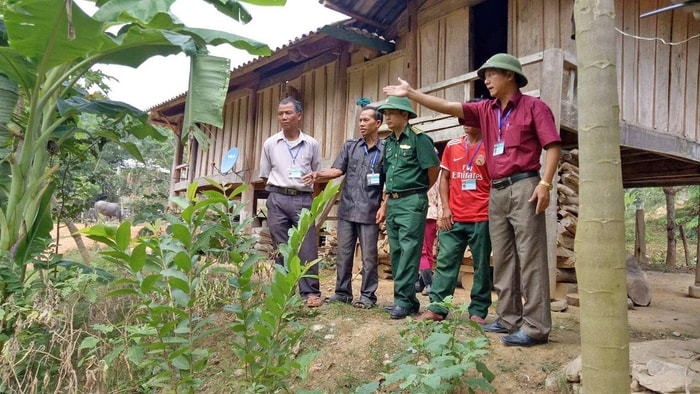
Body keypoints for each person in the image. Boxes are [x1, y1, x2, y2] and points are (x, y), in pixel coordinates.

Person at [384, 53, 562, 346]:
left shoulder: (534, 107)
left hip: (525, 184)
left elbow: (552, 145)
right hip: (498, 190)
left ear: (510, 76)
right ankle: (508, 317)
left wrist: (546, 182)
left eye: (491, 74)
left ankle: (535, 326)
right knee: (503, 258)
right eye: (485, 75)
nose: (486, 80)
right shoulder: (486, 110)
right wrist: (412, 93)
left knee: (530, 256)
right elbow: (448, 106)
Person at [302, 105, 386, 309]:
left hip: (370, 210)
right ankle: (343, 293)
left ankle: (367, 296)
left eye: (366, 120)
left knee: (369, 257)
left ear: (378, 123)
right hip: (347, 209)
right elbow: (337, 170)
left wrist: (385, 205)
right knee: (344, 254)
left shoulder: (386, 150)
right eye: (360, 120)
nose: (362, 124)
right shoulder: (351, 147)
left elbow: (390, 182)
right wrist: (318, 174)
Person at [415, 120, 492, 324]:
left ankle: (478, 310)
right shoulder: (452, 145)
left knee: (482, 265)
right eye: (463, 120)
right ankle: (437, 307)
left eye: (471, 119)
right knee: (446, 262)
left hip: (482, 216)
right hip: (453, 217)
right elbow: (444, 178)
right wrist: (445, 209)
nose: (466, 124)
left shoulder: (491, 147)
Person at [377, 96, 441, 319]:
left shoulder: (419, 139)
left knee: (409, 250)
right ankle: (408, 301)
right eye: (385, 113)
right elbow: (388, 174)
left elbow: (433, 169)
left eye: (391, 113)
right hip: (393, 201)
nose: (387, 117)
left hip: (412, 200)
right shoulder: (389, 142)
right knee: (396, 252)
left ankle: (402, 301)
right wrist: (386, 203)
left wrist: (419, 190)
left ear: (405, 115)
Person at [260, 97, 323, 308]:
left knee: (307, 245)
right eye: (280, 113)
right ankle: (285, 291)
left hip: (303, 198)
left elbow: (316, 171)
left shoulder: (311, 143)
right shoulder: (270, 143)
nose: (284, 117)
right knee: (281, 246)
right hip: (277, 198)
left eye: (288, 113)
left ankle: (310, 292)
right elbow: (264, 174)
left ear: (299, 115)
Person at [416, 169, 441, 296]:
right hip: (433, 213)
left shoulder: (420, 174)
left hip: (422, 213)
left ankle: (428, 284)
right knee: (429, 250)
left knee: (422, 251)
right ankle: (422, 284)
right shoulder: (438, 174)